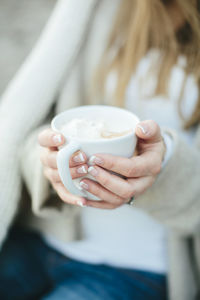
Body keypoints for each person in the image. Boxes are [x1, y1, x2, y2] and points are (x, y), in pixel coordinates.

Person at [0, 0, 200, 299]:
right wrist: (47, 163)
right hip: (42, 235)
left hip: (131, 267)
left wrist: (164, 161)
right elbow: (18, 129)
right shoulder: (84, 10)